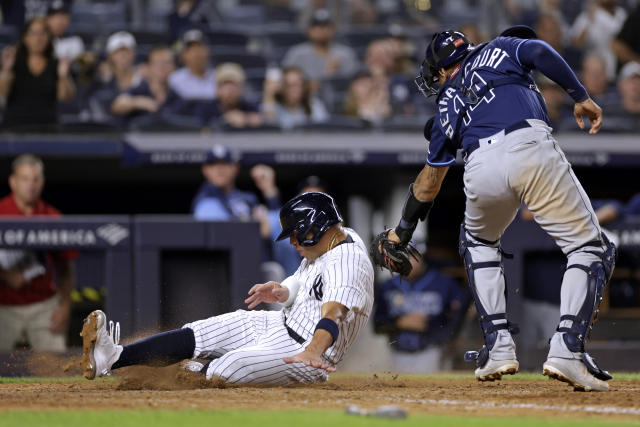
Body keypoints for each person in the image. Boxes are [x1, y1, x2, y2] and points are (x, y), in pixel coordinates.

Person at [373, 26, 615, 391]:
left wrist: (401, 232)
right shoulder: (501, 48)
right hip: (529, 146)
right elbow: (540, 51)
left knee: (477, 243)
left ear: (441, 69)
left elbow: (428, 184)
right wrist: (580, 95)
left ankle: (498, 345)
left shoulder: (445, 103)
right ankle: (567, 347)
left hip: (480, 165)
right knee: (590, 247)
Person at [80, 192, 374, 385]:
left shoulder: (348, 262)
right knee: (201, 332)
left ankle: (183, 374)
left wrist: (313, 351)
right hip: (279, 323)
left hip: (305, 352)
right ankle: (114, 356)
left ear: (316, 229)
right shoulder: (338, 237)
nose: (293, 243)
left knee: (229, 367)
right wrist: (283, 291)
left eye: (297, 236)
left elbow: (334, 312)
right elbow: (309, 282)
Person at [0, 155, 77, 352]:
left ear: (41, 183)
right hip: (3, 304)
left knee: (56, 369)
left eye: (35, 179)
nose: (30, 185)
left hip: (43, 304)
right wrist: (6, 275)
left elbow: (65, 268)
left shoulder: (52, 216)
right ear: (13, 181)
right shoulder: (1, 211)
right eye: (25, 179)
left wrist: (65, 306)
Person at [374, 254, 470, 373]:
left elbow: (458, 316)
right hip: (395, 353)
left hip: (432, 351)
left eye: (411, 257)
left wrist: (430, 326)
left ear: (422, 258)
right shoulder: (387, 286)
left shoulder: (444, 283)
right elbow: (377, 325)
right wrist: (398, 323)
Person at [0, 17, 75, 128]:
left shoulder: (56, 64)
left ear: (49, 37)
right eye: (33, 33)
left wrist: (63, 76)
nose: (38, 38)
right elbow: (2, 93)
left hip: (47, 128)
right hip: (15, 127)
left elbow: (64, 97)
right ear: (25, 37)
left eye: (43, 33)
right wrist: (6, 69)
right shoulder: (13, 63)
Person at [282, 9, 358, 89]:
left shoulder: (346, 54)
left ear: (334, 30)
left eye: (326, 26)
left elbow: (355, 86)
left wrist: (338, 75)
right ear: (309, 30)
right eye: (317, 26)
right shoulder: (297, 54)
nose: (322, 30)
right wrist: (327, 76)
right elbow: (289, 88)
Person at [111, 46, 176, 123]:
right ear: (149, 67)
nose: (162, 67)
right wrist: (139, 102)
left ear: (173, 67)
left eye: (166, 63)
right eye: (157, 63)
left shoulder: (175, 95)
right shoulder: (139, 89)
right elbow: (118, 105)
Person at [570, 0, 627, 81]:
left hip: (619, 67)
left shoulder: (622, 13)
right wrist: (589, 20)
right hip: (596, 69)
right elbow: (577, 43)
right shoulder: (589, 14)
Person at [261, 66, 329, 130]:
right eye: (287, 85)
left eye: (295, 85)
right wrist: (269, 95)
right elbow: (268, 124)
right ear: (282, 88)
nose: (291, 89)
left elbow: (322, 128)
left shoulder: (314, 105)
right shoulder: (275, 106)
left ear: (303, 86)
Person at [168, 29, 216, 101]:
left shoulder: (218, 77)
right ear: (183, 55)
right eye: (191, 49)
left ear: (207, 51)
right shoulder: (174, 79)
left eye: (200, 47)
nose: (196, 53)